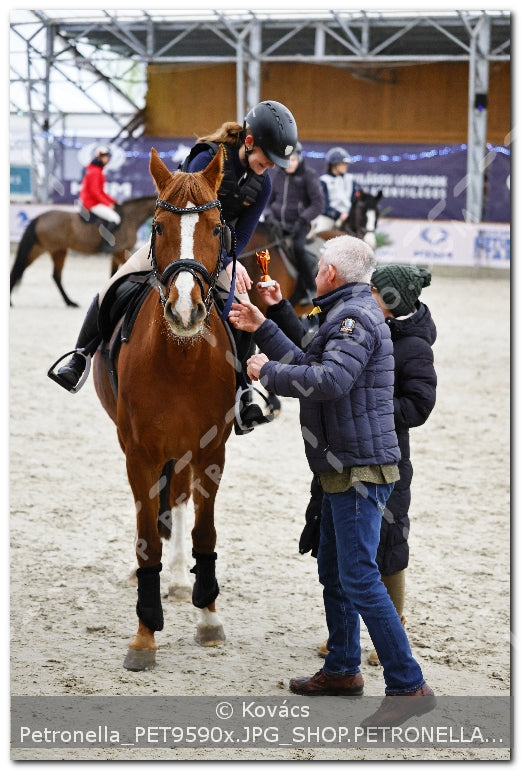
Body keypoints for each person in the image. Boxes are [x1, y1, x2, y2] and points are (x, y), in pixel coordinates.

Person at [228, 235, 435, 728]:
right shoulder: (349, 310)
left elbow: (328, 382)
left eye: (320, 265)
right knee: (335, 570)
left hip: (359, 467)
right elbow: (311, 360)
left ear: (332, 274)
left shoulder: (354, 318)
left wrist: (267, 372)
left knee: (360, 577)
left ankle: (408, 685)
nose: (315, 270)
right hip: (340, 464)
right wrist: (262, 327)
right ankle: (343, 668)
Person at [48, 100, 298, 434]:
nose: (268, 168)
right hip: (174, 243)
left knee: (242, 309)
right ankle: (80, 355)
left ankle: (243, 391)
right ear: (249, 142)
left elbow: (242, 234)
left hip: (214, 254)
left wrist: (229, 263)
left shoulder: (263, 183)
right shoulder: (206, 157)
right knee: (114, 284)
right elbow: (178, 200)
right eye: (266, 159)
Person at [263, 141, 325, 306]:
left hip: (300, 224)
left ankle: (310, 287)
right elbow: (268, 202)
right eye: (287, 160)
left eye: (294, 160)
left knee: (298, 248)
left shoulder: (308, 175)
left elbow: (318, 203)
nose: (291, 164)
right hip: (277, 225)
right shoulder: (278, 175)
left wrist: (303, 219)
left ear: (299, 158)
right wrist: (268, 215)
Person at [79, 145, 121, 252]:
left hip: (93, 201)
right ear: (99, 157)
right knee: (115, 219)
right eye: (105, 156)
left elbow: (101, 192)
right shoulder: (95, 172)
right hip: (91, 203)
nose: (107, 159)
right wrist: (108, 204)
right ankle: (105, 245)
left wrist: (113, 201)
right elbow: (95, 193)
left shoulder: (96, 170)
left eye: (108, 156)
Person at [315, 146, 357, 232]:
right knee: (319, 234)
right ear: (334, 164)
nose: (346, 166)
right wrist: (339, 215)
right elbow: (323, 205)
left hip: (348, 217)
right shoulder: (324, 180)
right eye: (342, 164)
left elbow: (354, 200)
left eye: (346, 164)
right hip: (329, 217)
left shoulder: (350, 179)